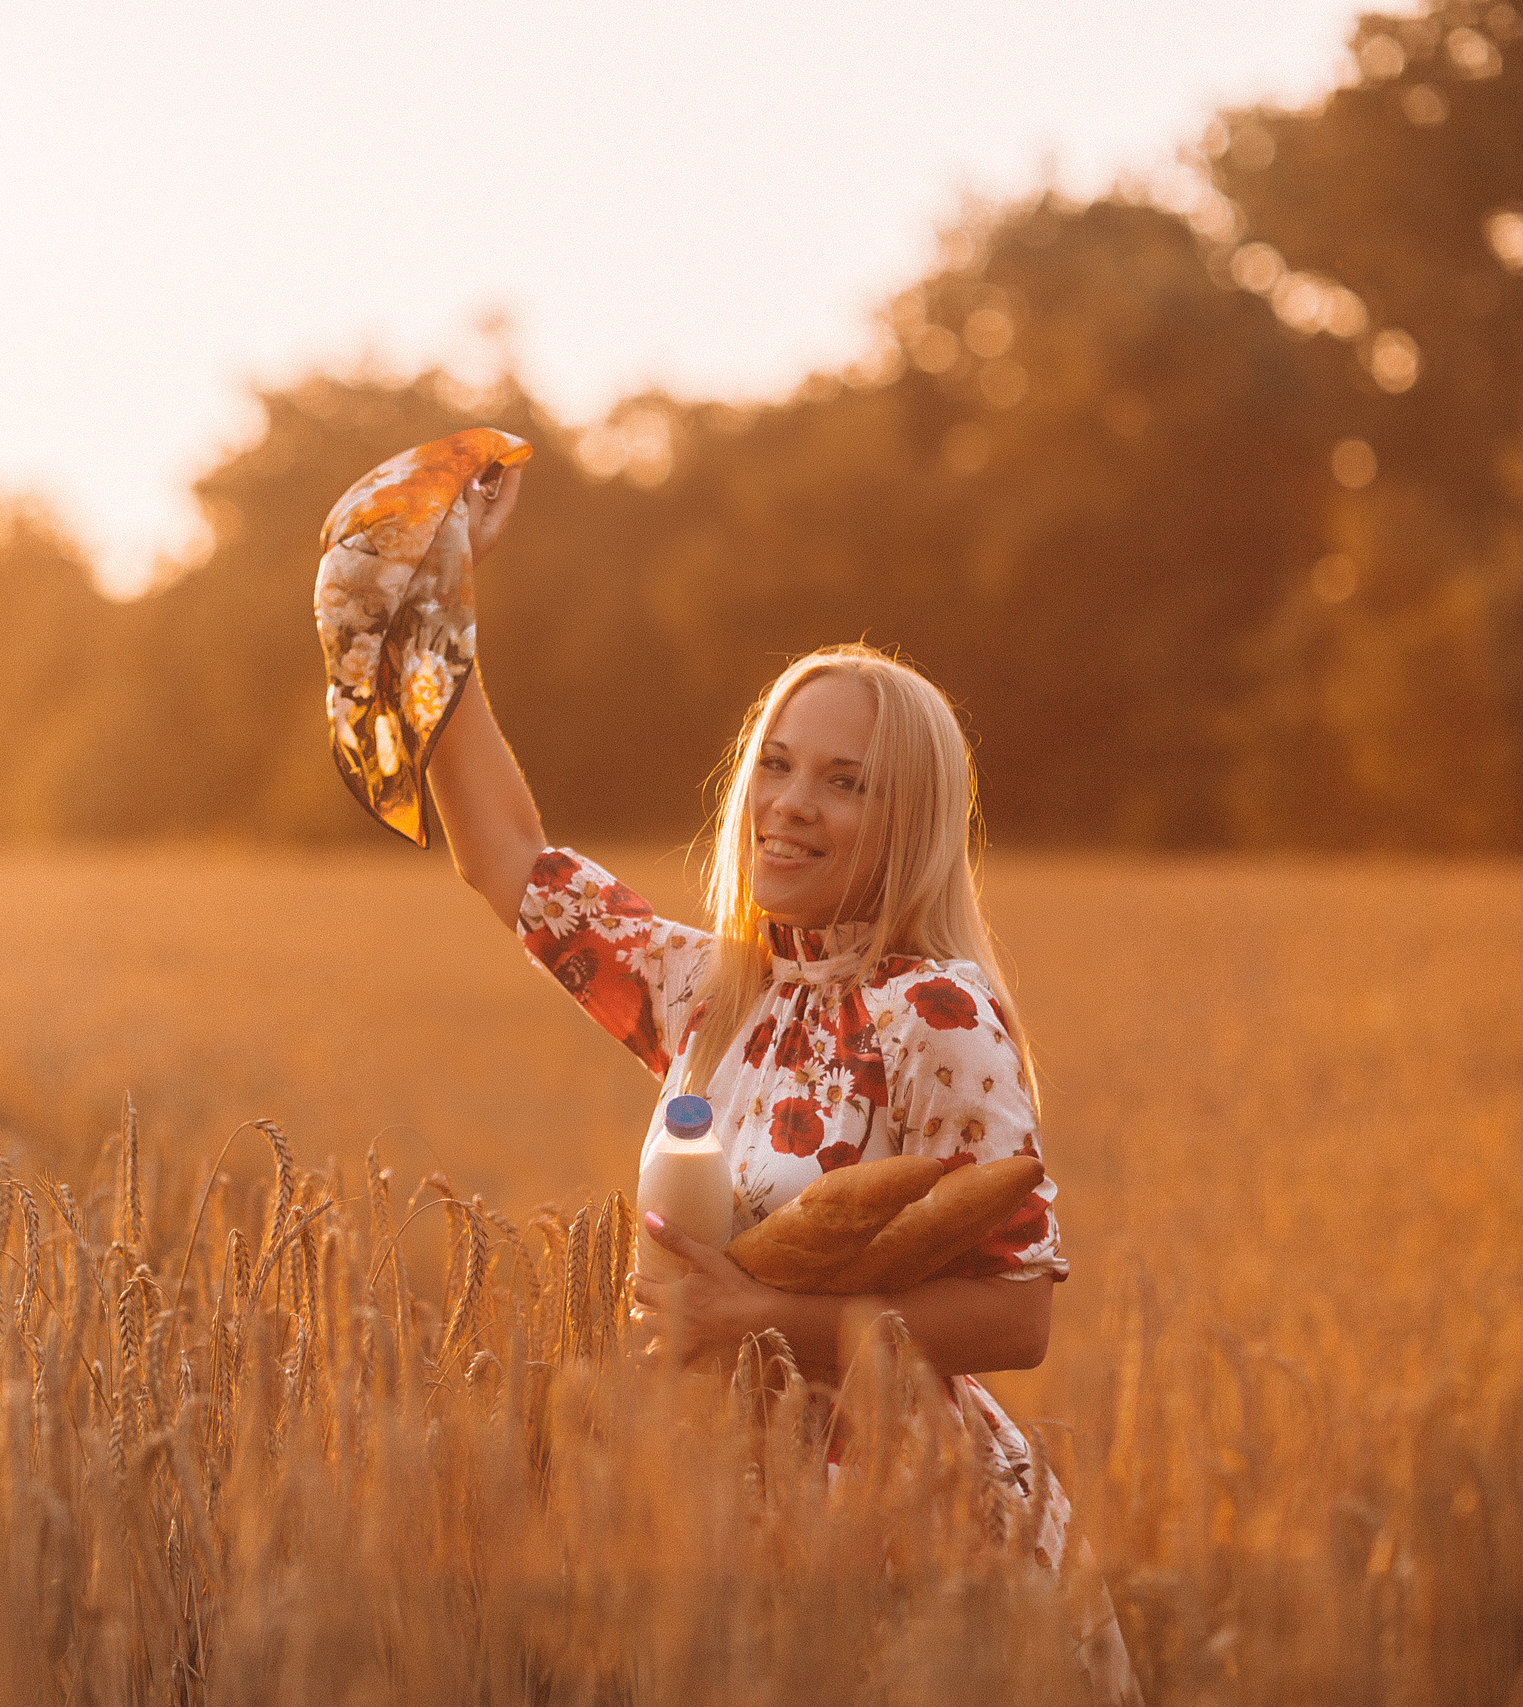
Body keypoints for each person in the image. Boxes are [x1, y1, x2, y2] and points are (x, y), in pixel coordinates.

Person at [425, 464, 1139, 1705]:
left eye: (844, 781)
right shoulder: (718, 991)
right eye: (776, 765)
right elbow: (506, 860)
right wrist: (433, 606)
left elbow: (1016, 1318)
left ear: (911, 817)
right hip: (720, 1517)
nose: (790, 806)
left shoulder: (936, 1012)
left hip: (908, 1535)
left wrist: (756, 1322)